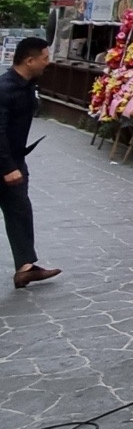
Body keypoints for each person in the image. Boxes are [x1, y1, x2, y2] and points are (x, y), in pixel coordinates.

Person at [0, 36, 62, 289]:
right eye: (45, 59)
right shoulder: (5, 89)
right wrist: (7, 168)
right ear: (29, 60)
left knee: (20, 212)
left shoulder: (28, 84)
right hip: (5, 162)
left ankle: (25, 268)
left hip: (15, 159)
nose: (49, 63)